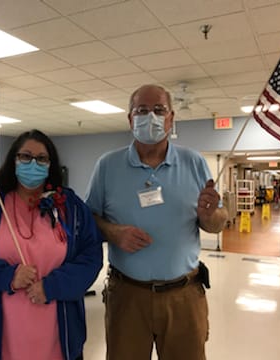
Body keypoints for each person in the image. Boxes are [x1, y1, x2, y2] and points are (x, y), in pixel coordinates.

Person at [85, 84, 228, 360]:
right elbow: (89, 219)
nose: (150, 116)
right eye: (142, 110)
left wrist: (210, 216)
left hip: (184, 295)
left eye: (159, 110)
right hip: (127, 295)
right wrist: (113, 232)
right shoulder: (107, 166)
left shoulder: (194, 162)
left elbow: (218, 222)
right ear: (130, 119)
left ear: (171, 118)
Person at [0, 129, 103, 360]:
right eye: (25, 156)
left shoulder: (70, 207)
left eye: (41, 158)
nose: (33, 163)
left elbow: (90, 256)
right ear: (13, 160)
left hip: (58, 328)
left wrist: (52, 286)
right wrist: (8, 277)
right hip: (1, 332)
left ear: (50, 164)